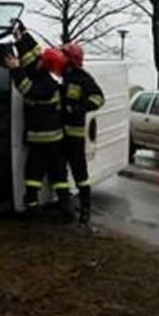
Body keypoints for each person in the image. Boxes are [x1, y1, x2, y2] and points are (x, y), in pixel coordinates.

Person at [4, 36, 73, 220]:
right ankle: (66, 208)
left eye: (43, 59)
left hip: (42, 139)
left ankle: (33, 207)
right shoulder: (49, 77)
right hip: (55, 139)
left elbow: (26, 88)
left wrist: (15, 69)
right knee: (58, 174)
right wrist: (23, 38)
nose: (39, 59)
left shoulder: (45, 85)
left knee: (34, 173)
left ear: (46, 64)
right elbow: (34, 57)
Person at [59, 42, 105, 224]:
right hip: (58, 134)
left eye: (64, 56)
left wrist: (79, 108)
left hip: (74, 136)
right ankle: (65, 208)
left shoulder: (83, 79)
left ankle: (85, 209)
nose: (61, 59)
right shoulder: (59, 76)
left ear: (71, 60)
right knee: (59, 173)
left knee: (80, 174)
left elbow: (98, 98)